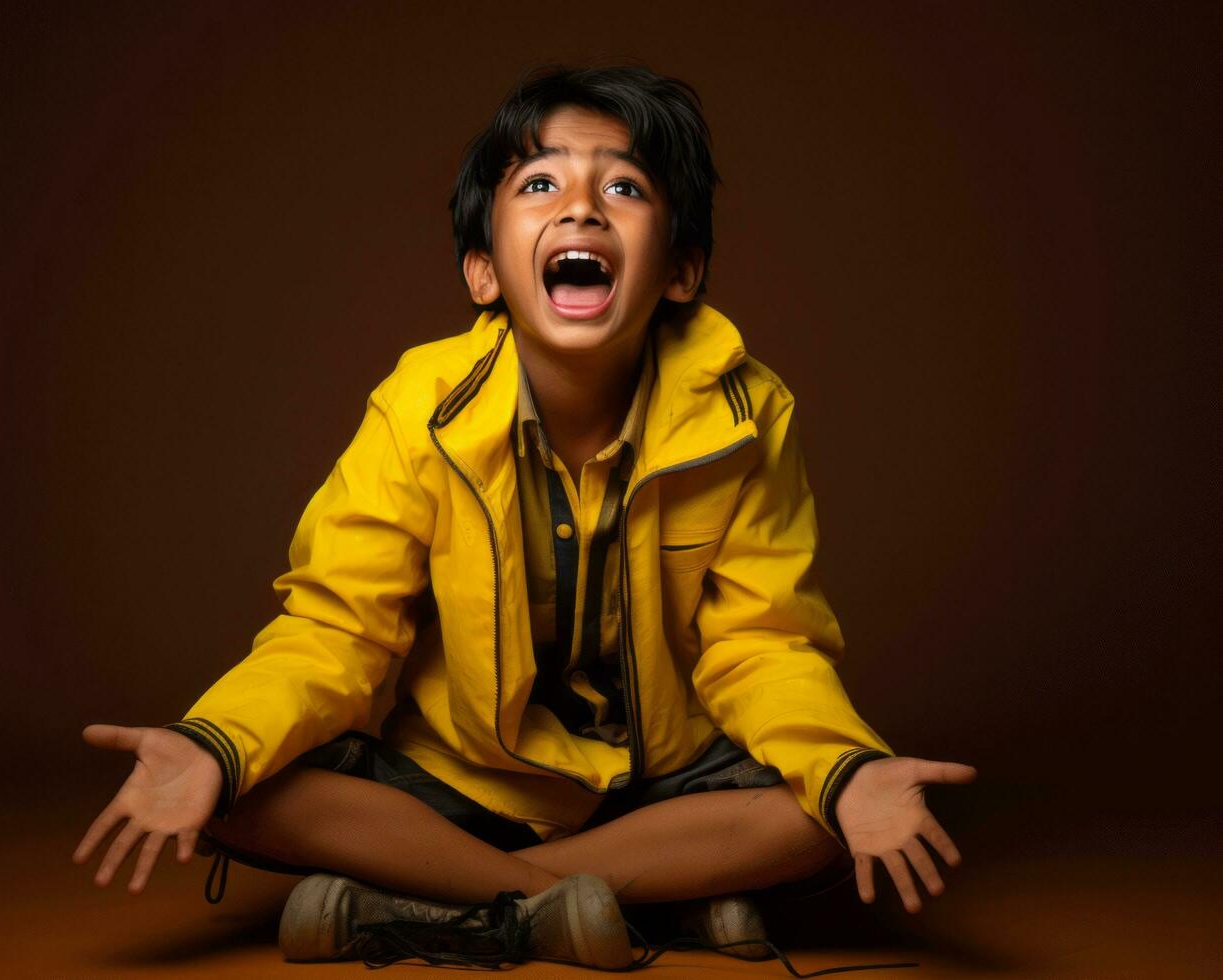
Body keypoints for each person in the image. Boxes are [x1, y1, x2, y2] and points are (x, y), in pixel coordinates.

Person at [73, 64, 977, 971]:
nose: (581, 209)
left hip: (660, 786)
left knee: (815, 818)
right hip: (454, 781)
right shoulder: (418, 406)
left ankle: (432, 900)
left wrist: (848, 770)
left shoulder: (746, 413)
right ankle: (627, 903)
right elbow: (335, 631)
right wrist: (210, 746)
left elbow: (764, 643)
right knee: (233, 786)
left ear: (680, 270)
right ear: (482, 271)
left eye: (623, 187)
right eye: (540, 183)